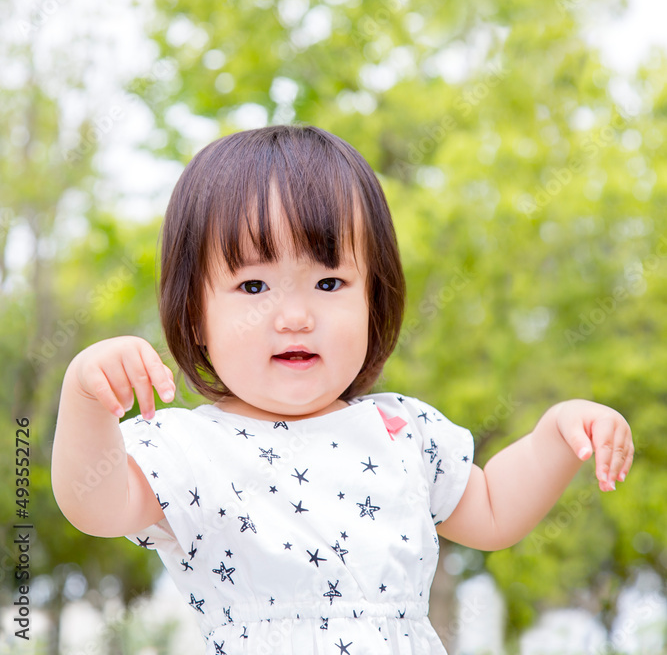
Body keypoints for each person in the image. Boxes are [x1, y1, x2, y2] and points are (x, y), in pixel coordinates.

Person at [51, 124, 634, 655]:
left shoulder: (401, 430)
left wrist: (558, 436)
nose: (295, 316)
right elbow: (94, 502)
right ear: (194, 314)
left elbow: (493, 511)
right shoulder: (189, 447)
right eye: (253, 286)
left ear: (374, 299)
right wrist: (86, 398)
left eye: (329, 282)